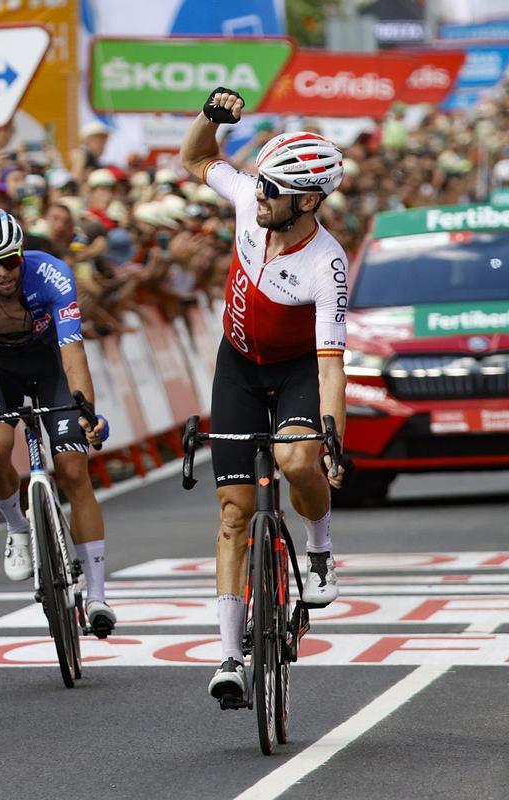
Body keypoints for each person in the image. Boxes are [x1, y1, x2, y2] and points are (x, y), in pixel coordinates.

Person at [179, 88, 348, 701]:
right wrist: (212, 117)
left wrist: (333, 438)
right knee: (233, 513)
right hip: (238, 365)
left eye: (273, 190)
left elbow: (332, 365)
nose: (260, 194)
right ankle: (229, 656)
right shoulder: (251, 203)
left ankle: (320, 546)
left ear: (308, 199)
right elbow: (195, 159)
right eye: (260, 184)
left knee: (297, 459)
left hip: (300, 368)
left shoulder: (326, 263)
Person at [0, 209, 116, 636]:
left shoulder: (52, 274)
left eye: (10, 261)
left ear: (22, 253)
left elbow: (73, 351)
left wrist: (86, 413)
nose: (3, 273)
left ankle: (97, 595)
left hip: (48, 362)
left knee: (75, 469)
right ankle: (18, 526)